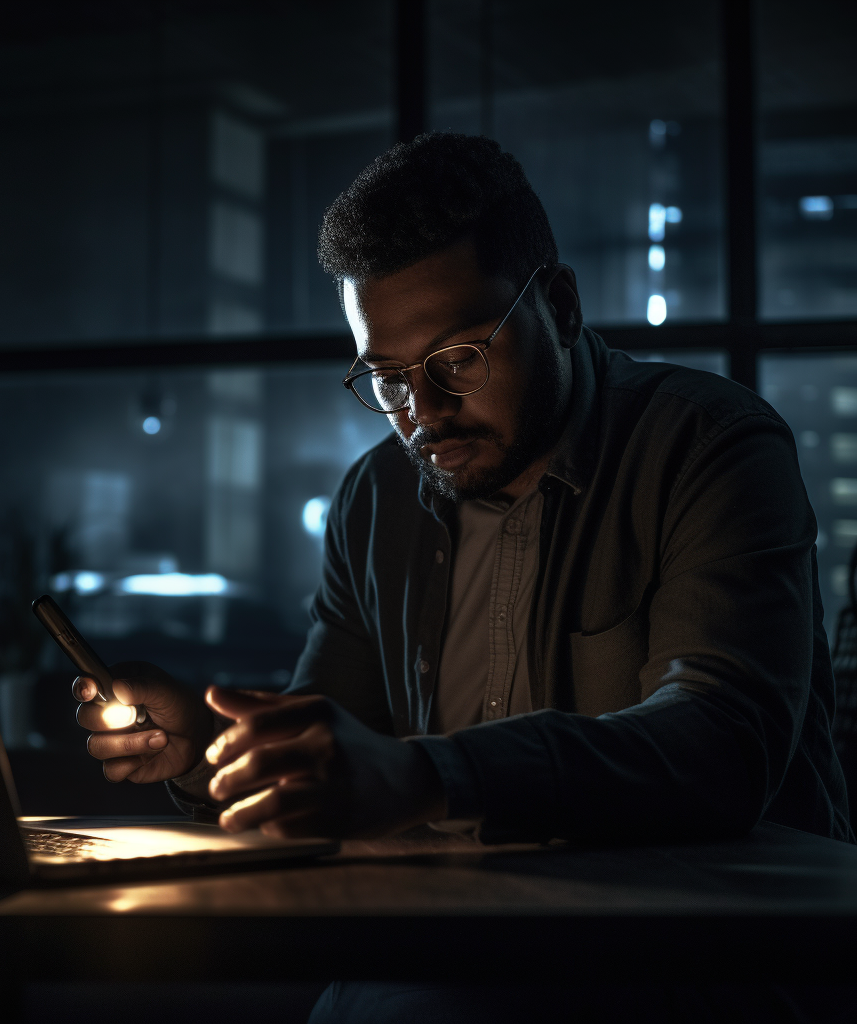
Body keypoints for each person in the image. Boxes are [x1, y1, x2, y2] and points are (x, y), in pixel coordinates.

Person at [74, 133, 850, 851]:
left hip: (701, 956)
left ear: (562, 308)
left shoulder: (709, 446)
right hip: (448, 944)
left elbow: (721, 748)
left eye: (459, 355)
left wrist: (428, 777)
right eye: (388, 378)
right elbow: (329, 755)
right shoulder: (374, 497)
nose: (425, 412)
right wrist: (204, 752)